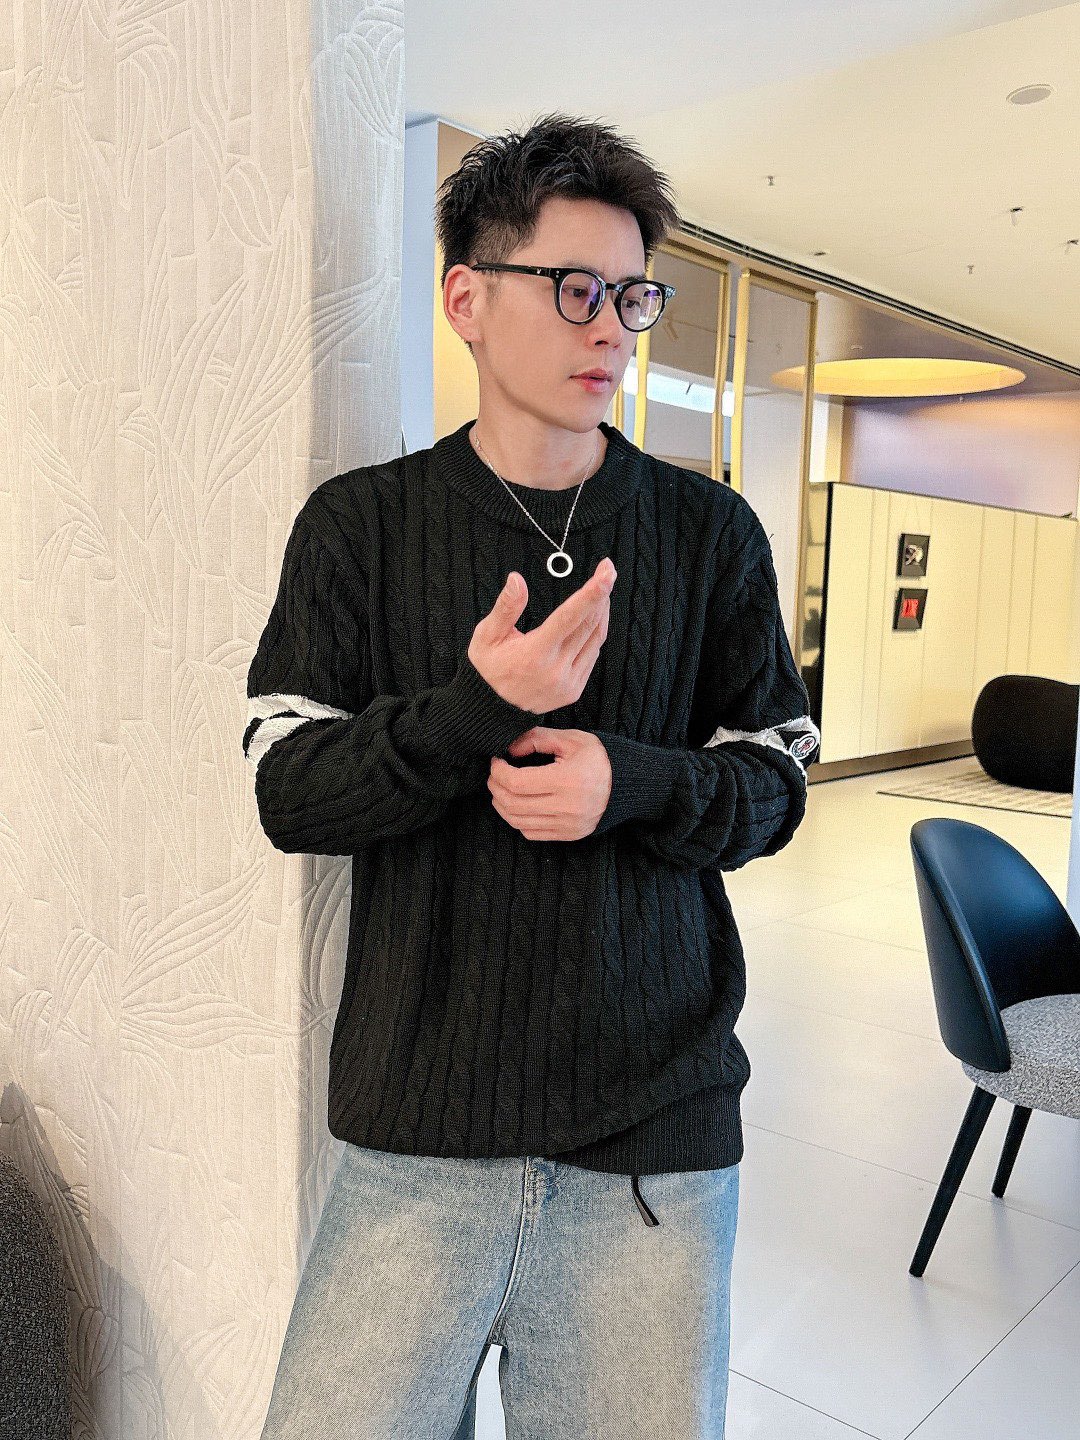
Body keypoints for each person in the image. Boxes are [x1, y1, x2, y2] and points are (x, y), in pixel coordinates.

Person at [248, 111, 821, 1440]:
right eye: (573, 289)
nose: (611, 329)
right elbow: (290, 786)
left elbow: (779, 777)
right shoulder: (360, 526)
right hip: (416, 1146)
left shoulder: (709, 532)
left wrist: (633, 783)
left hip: (650, 1161)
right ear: (467, 299)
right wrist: (475, 713)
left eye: (633, 296)